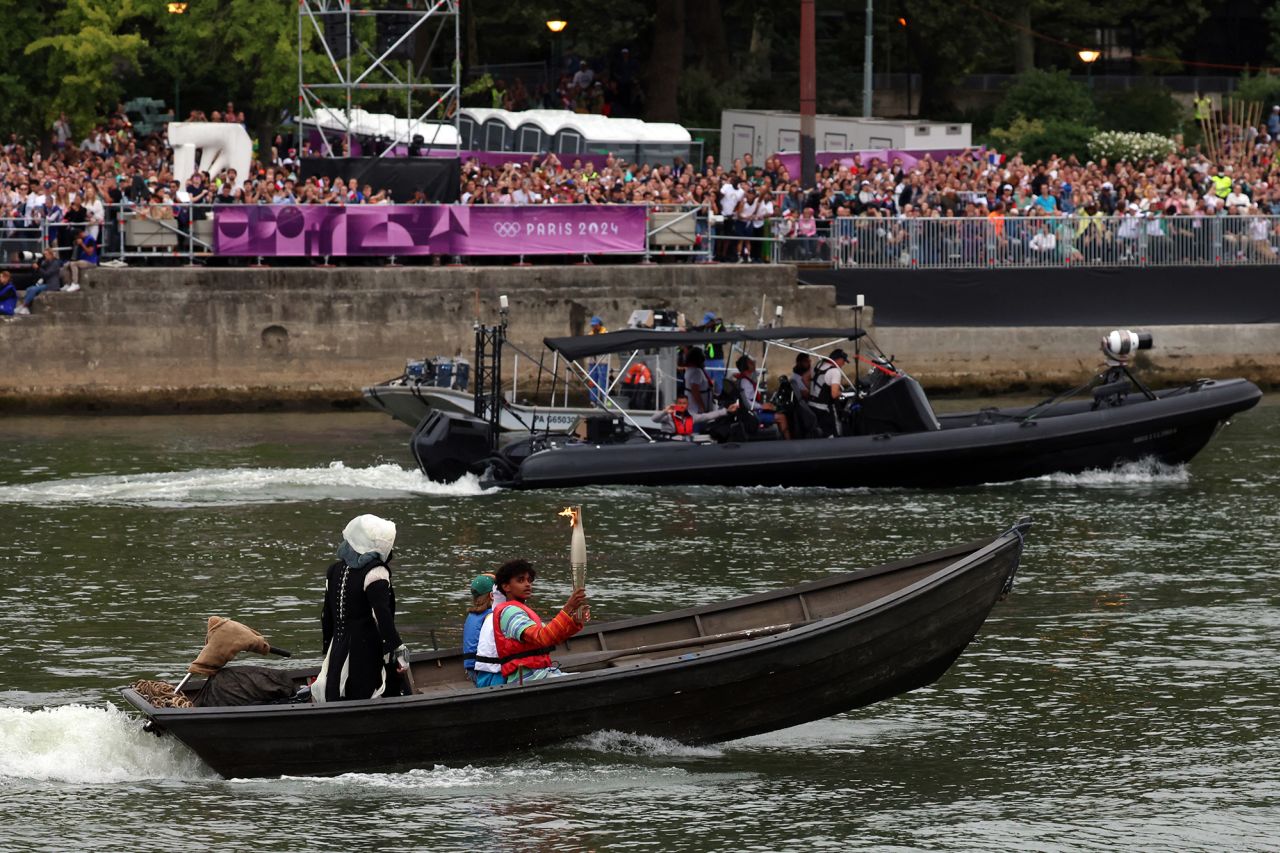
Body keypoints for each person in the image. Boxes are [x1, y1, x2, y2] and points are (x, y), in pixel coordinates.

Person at [313, 514, 410, 703]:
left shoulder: (334, 570)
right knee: (367, 691)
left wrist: (328, 646)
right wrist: (399, 652)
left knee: (338, 690)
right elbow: (383, 617)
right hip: (364, 649)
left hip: (339, 644)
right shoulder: (376, 571)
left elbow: (327, 616)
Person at [492, 558, 588, 684]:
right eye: (520, 580)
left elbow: (553, 637)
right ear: (506, 586)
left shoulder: (521, 611)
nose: (527, 584)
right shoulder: (510, 612)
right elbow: (543, 637)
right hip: (528, 679)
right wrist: (568, 607)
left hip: (540, 674)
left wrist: (574, 622)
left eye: (529, 580)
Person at [733, 354, 789, 438]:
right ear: (747, 365)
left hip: (752, 411)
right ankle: (788, 442)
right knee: (782, 417)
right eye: (750, 362)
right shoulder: (745, 382)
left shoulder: (745, 379)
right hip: (753, 415)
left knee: (776, 410)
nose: (753, 363)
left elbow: (755, 374)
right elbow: (748, 404)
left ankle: (780, 438)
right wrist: (762, 406)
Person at [651, 394, 737, 439]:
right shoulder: (668, 416)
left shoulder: (691, 417)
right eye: (679, 403)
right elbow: (654, 419)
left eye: (684, 403)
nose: (682, 405)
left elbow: (707, 416)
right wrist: (665, 411)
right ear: (676, 404)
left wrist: (726, 411)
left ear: (687, 405)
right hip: (668, 443)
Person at [462, 573, 496, 684]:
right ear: (492, 595)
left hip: (470, 669)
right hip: (481, 672)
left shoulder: (472, 615)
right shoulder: (491, 615)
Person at [808, 349, 849, 437]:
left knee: (823, 433)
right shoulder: (835, 371)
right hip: (824, 409)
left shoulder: (818, 364)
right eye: (843, 361)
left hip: (811, 406)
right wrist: (843, 393)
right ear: (839, 360)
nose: (843, 364)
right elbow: (834, 394)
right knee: (835, 434)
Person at [15, 247, 63, 315]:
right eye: (44, 254)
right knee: (29, 289)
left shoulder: (55, 263)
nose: (44, 256)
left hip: (52, 285)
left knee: (33, 289)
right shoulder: (46, 262)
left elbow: (47, 274)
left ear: (51, 255)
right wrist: (39, 265)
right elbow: (40, 272)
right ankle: (26, 308)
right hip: (45, 283)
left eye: (46, 254)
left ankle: (24, 306)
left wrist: (38, 268)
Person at [699, 311, 727, 392]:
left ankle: (719, 397)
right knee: (706, 380)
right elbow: (697, 329)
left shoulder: (721, 328)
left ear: (712, 321)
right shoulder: (706, 328)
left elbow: (724, 341)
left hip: (717, 359)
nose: (706, 324)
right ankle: (706, 396)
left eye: (707, 322)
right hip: (707, 359)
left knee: (718, 380)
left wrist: (712, 340)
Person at [683, 346, 713, 415]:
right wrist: (702, 406)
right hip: (697, 410)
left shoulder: (690, 370)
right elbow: (695, 391)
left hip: (692, 409)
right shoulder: (697, 372)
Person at [587, 315, 609, 404]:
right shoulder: (589, 335)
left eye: (595, 325)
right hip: (592, 362)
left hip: (602, 362)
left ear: (600, 325)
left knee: (603, 381)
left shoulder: (606, 334)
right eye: (592, 325)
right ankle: (593, 400)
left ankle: (604, 399)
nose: (594, 327)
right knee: (592, 381)